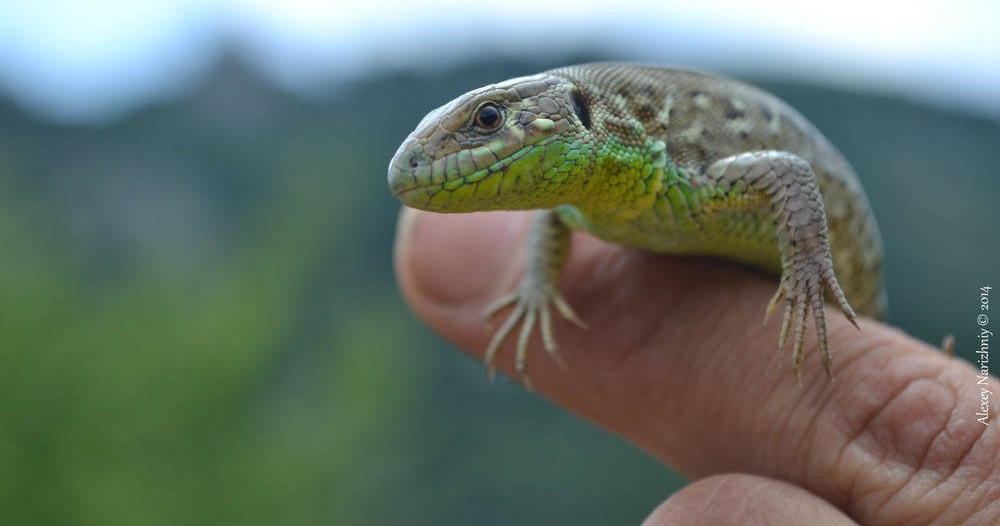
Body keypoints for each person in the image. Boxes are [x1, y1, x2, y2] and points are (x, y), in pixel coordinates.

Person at [393, 208, 999, 525]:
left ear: (579, 112)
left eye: (490, 122)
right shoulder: (573, 201)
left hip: (848, 287)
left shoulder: (673, 161)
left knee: (896, 433)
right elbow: (556, 213)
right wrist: (538, 285)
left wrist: (808, 263)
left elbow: (786, 174)